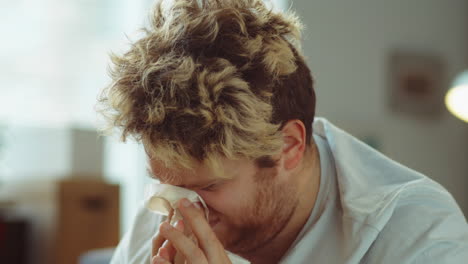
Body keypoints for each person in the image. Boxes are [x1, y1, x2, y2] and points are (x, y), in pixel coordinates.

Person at [98, 0, 468, 263]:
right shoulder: (170, 205)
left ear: (288, 146)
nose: (181, 210)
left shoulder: (417, 235)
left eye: (209, 187)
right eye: (165, 181)